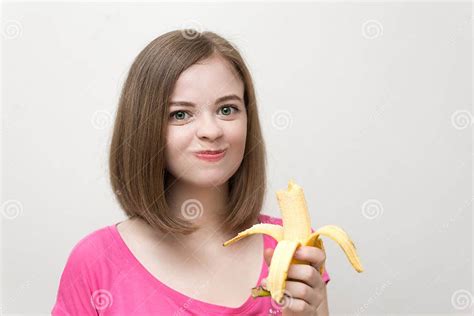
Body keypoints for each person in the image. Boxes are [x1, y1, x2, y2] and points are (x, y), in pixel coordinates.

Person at [51, 29, 330, 315]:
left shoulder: (293, 248)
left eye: (227, 109)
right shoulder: (96, 262)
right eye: (180, 114)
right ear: (144, 129)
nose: (211, 131)